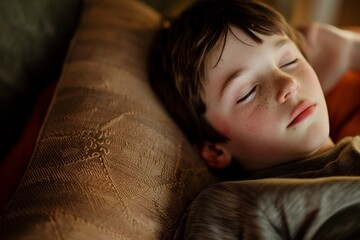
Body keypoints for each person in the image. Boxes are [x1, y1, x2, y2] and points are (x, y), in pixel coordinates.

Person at [148, 0, 360, 238]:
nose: (289, 84)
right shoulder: (234, 206)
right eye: (248, 92)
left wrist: (351, 50)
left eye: (289, 61)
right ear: (214, 151)